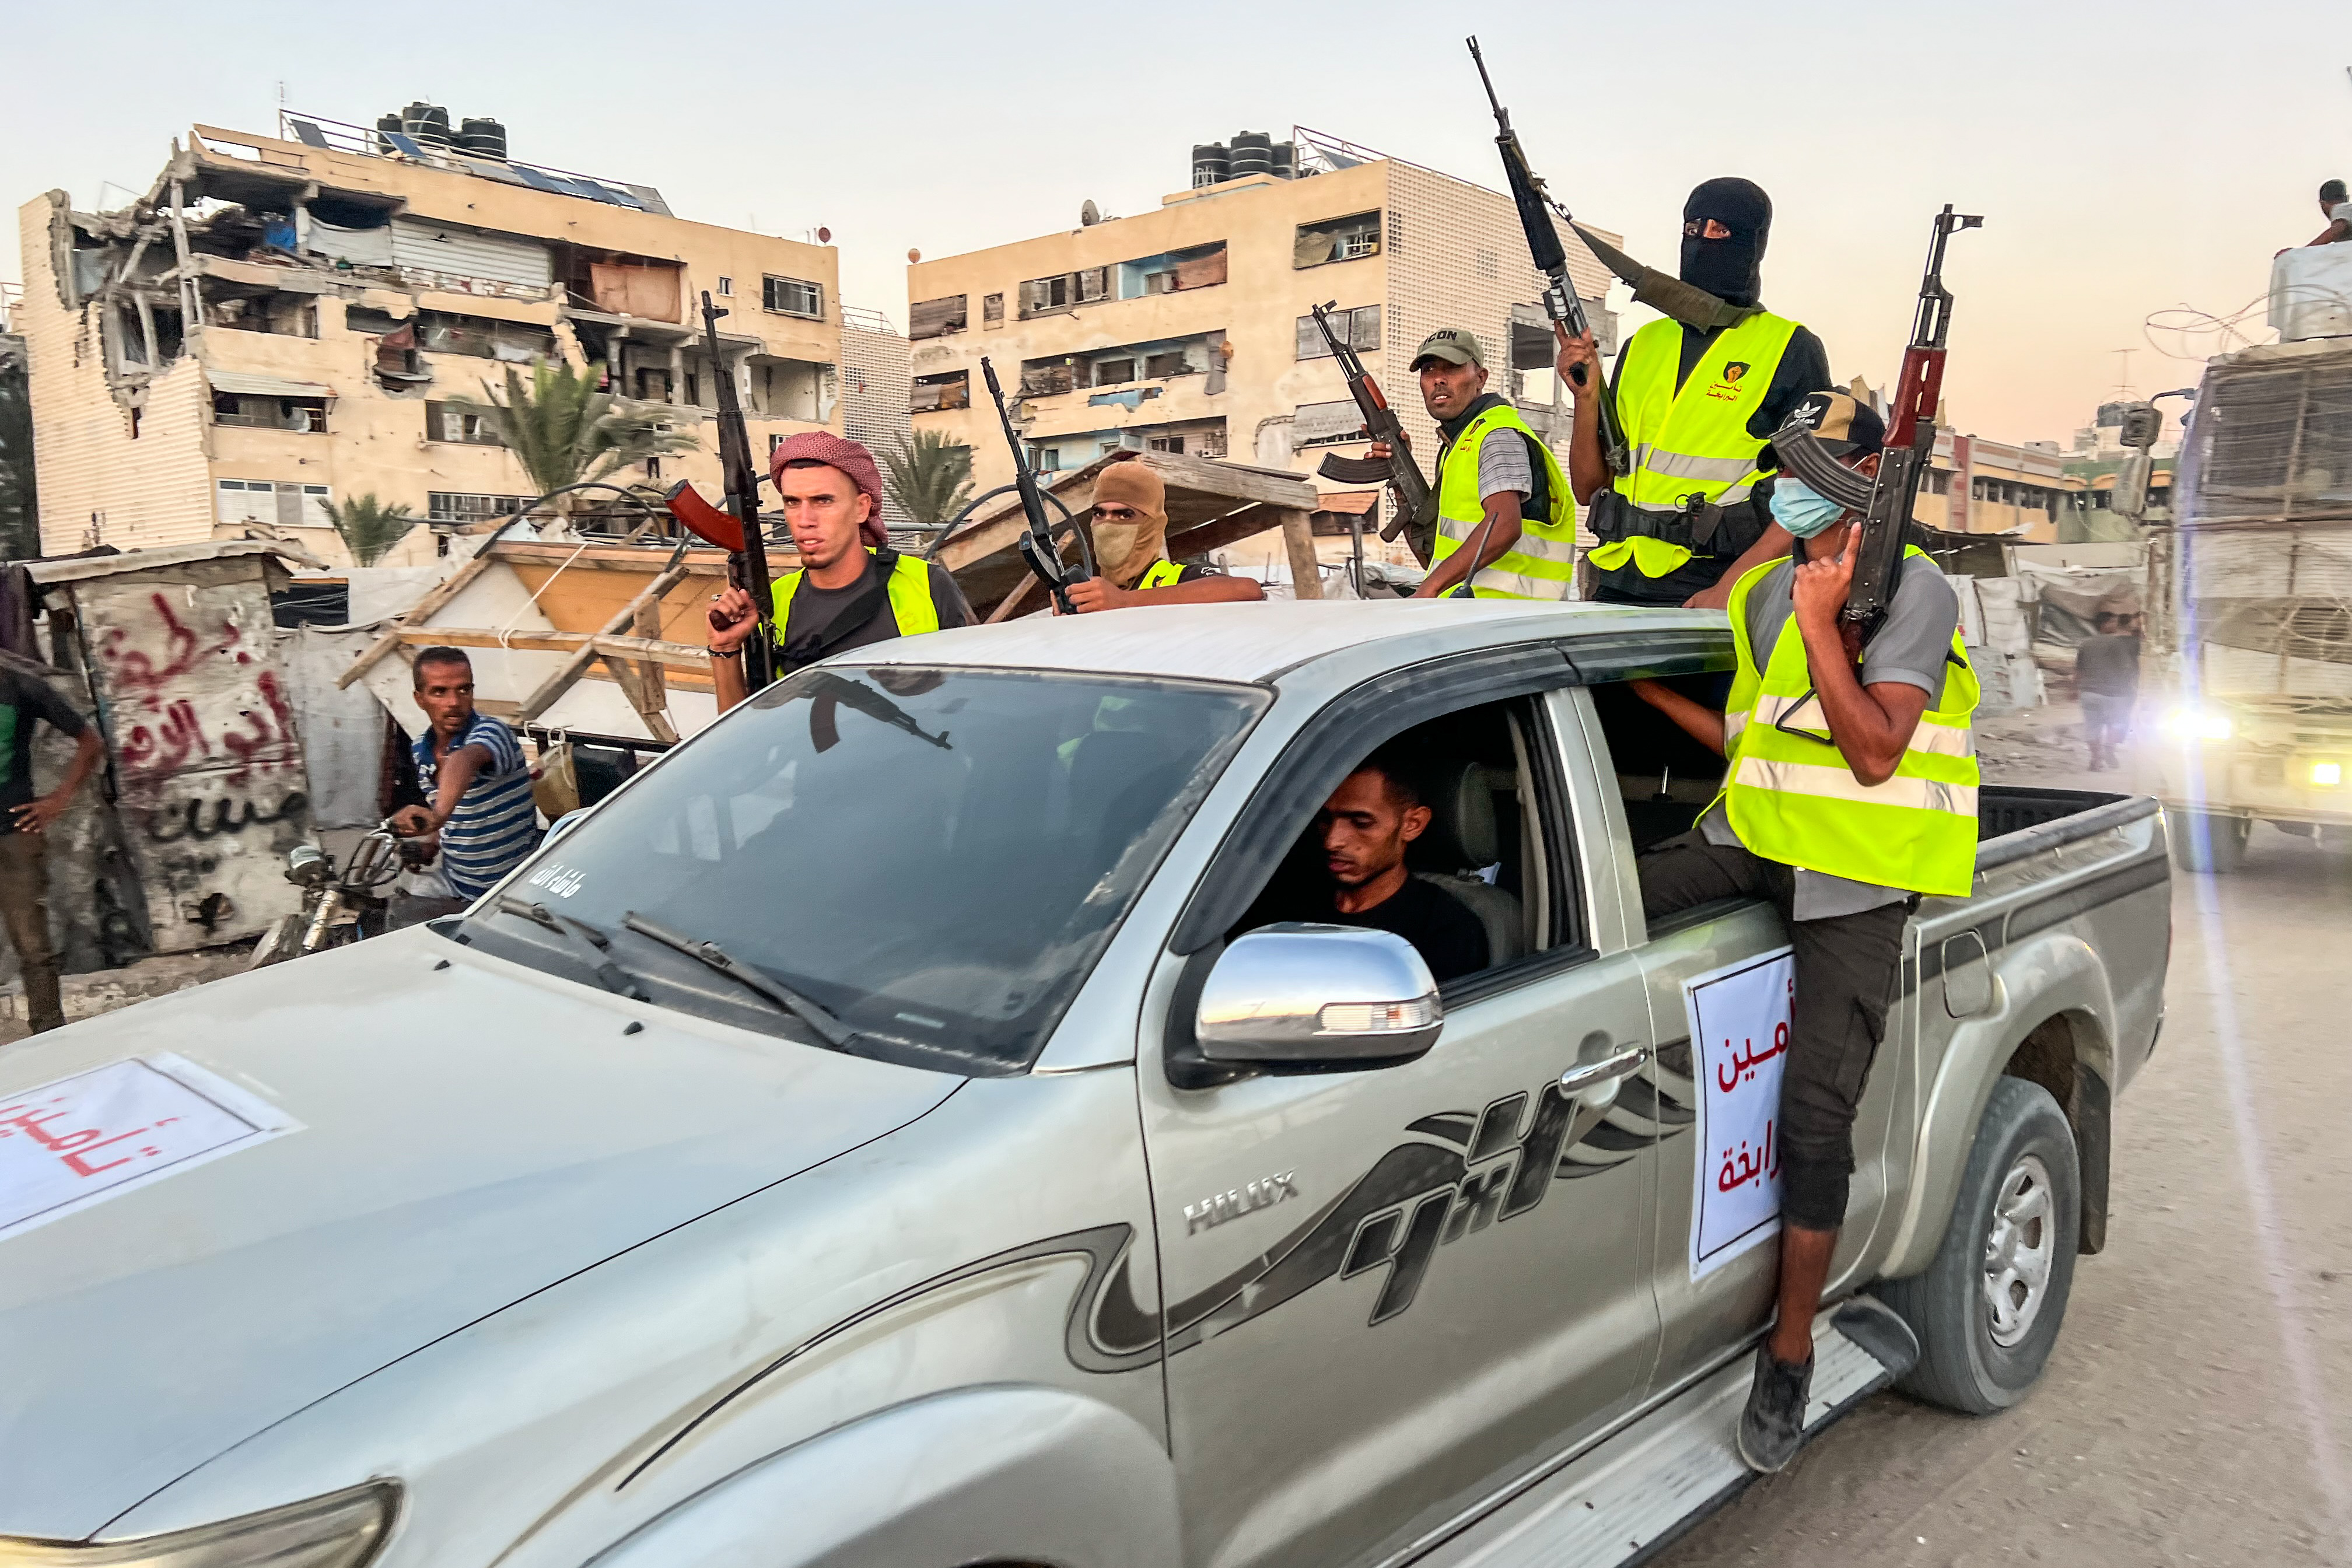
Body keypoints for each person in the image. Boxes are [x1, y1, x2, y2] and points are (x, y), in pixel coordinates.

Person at [1626, 392, 1977, 1474]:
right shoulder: (1768, 589)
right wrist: (1626, 681)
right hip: (1756, 838)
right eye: (1781, 466)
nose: (1784, 484)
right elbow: (1747, 738)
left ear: (1866, 476)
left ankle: (1788, 1353)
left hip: (1861, 877)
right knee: (1609, 909)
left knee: (1812, 1121)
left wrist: (1829, 622)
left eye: (1808, 465)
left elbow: (1874, 752)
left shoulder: (1917, 589)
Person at [1556, 178, 1836, 610]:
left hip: (1713, 587)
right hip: (1615, 581)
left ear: (1752, 243)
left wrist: (1729, 588)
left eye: (1719, 231)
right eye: (1692, 228)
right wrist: (1586, 398)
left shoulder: (1791, 348)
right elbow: (1590, 487)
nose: (1702, 240)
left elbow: (1813, 494)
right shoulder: (1644, 342)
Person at [706, 432, 974, 708]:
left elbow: (969, 699)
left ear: (861, 508)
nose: (805, 520)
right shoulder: (774, 600)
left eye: (823, 501)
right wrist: (724, 649)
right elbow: (747, 731)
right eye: (792, 502)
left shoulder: (926, 584)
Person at [1368, 328, 1578, 600]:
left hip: (1506, 622)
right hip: (1474, 617)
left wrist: (1429, 589)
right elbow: (1434, 560)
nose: (1439, 380)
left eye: (1452, 368)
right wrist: (1400, 477)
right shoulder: (1457, 447)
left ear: (1481, 378)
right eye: (1429, 370)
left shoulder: (1496, 434)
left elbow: (1504, 526)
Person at [1298, 751, 1489, 984]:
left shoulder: (1446, 930)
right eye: (1325, 820)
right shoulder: (1289, 898)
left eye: (1361, 823)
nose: (1331, 841)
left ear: (1412, 824)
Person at [389, 648, 539, 925]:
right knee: (398, 922)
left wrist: (439, 816)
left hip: (513, 887)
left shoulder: (493, 732)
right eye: (439, 692)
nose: (454, 702)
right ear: (419, 699)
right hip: (456, 882)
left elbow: (464, 761)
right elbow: (442, 811)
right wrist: (429, 845)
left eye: (463, 690)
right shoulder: (420, 749)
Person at [0, 660, 102, 1035]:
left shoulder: (22, 689)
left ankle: (48, 1035)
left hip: (14, 834)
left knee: (33, 946)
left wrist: (59, 799)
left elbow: (90, 741)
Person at [1060, 456, 1265, 611]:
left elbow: (1247, 590)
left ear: (1151, 525)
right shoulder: (1089, 592)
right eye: (1099, 513)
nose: (1107, 524)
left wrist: (1125, 601)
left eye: (1124, 515)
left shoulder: (1178, 579)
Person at [2076, 609, 2141, 771]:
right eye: (2112, 622)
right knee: (2116, 724)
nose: (2115, 624)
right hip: (2113, 694)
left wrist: (2073, 689)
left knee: (2092, 727)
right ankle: (2109, 750)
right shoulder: (2117, 644)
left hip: (2089, 693)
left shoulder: (2086, 643)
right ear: (2105, 625)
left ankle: (2096, 760)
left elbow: (2078, 669)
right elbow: (2126, 668)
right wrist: (2132, 687)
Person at [2286, 178, 2352, 251]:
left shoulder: (2339, 208)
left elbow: (2338, 228)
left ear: (2322, 204)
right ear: (2347, 198)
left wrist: (2302, 252)